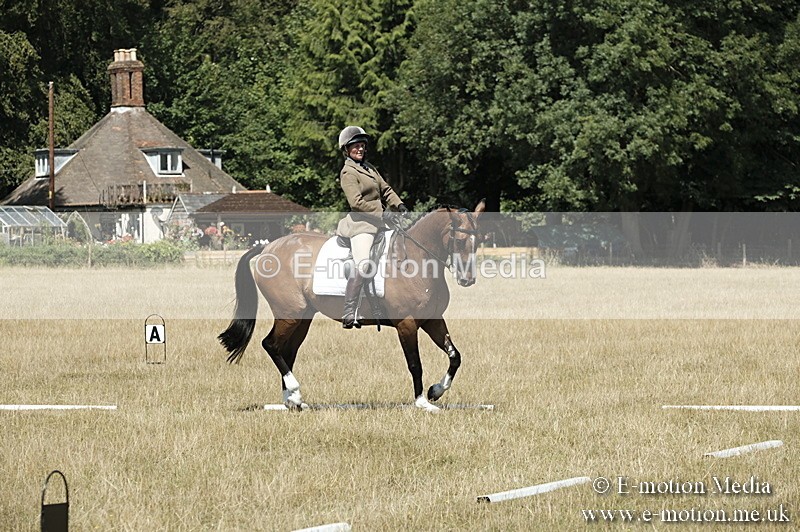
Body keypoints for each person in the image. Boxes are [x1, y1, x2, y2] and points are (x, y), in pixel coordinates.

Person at [336, 126, 409, 329]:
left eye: (362, 145)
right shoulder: (348, 172)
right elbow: (356, 202)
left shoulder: (370, 168)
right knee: (364, 264)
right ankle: (349, 312)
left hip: (379, 222)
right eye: (355, 146)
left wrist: (399, 204)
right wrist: (382, 213)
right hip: (362, 224)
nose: (359, 149)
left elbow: (386, 189)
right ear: (346, 150)